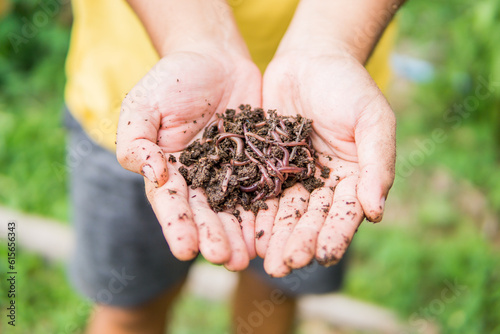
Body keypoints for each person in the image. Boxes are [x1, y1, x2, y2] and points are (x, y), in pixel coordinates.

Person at [65, 0, 401, 333]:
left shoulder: (308, 138)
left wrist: (333, 43)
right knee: (129, 305)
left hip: (329, 97)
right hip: (162, 118)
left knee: (275, 292)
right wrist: (196, 40)